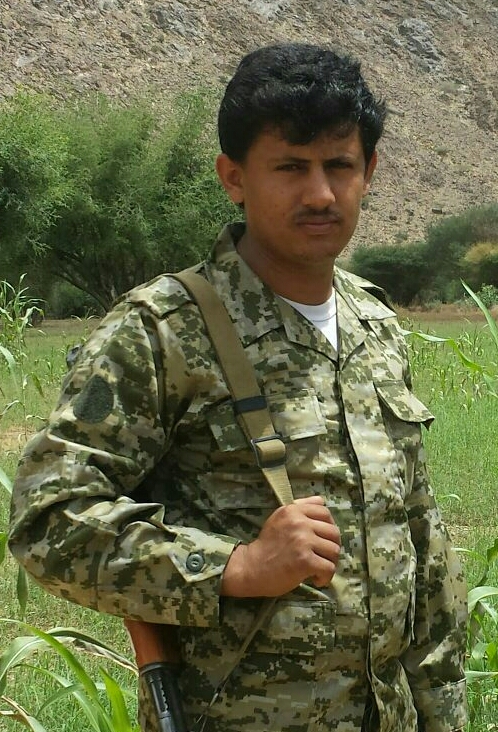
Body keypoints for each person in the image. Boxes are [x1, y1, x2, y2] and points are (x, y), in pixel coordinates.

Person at [9, 43, 467, 732]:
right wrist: (234, 566)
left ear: (368, 172)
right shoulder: (162, 331)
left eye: (339, 165)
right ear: (234, 177)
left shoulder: (374, 322)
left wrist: (442, 712)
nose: (320, 193)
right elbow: (47, 523)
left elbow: (420, 540)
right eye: (290, 167)